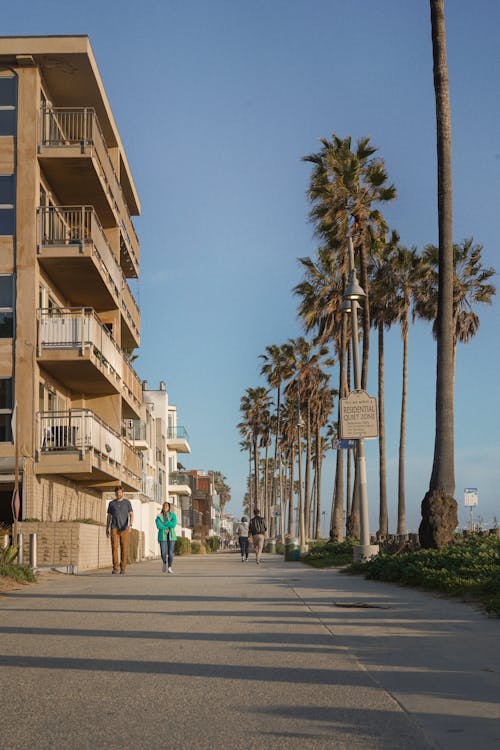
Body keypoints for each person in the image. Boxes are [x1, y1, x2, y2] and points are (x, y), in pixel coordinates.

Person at [106, 486, 133, 574]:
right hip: (114, 527)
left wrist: (130, 525)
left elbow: (131, 514)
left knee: (124, 548)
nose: (118, 494)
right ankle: (115, 567)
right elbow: (109, 516)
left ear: (122, 493)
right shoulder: (111, 504)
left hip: (124, 528)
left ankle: (123, 567)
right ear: (115, 493)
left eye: (120, 492)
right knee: (114, 548)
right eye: (117, 493)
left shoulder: (127, 503)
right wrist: (107, 527)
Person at [156, 501, 177, 573]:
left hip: (172, 537)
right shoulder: (159, 516)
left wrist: (165, 523)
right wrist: (166, 527)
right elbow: (158, 526)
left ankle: (169, 567)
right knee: (163, 553)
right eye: (164, 506)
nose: (165, 507)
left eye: (167, 506)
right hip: (162, 536)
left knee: (170, 553)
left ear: (169, 508)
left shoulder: (173, 515)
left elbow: (173, 524)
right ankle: (164, 563)